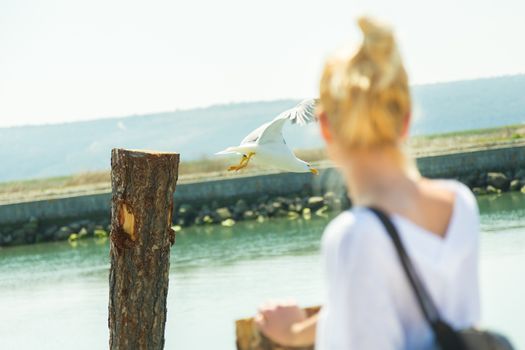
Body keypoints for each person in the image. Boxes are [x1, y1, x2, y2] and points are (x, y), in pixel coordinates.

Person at [255, 16, 480, 349]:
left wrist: (291, 335)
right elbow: (404, 312)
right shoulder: (459, 203)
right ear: (404, 121)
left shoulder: (353, 236)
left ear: (327, 127)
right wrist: (295, 334)